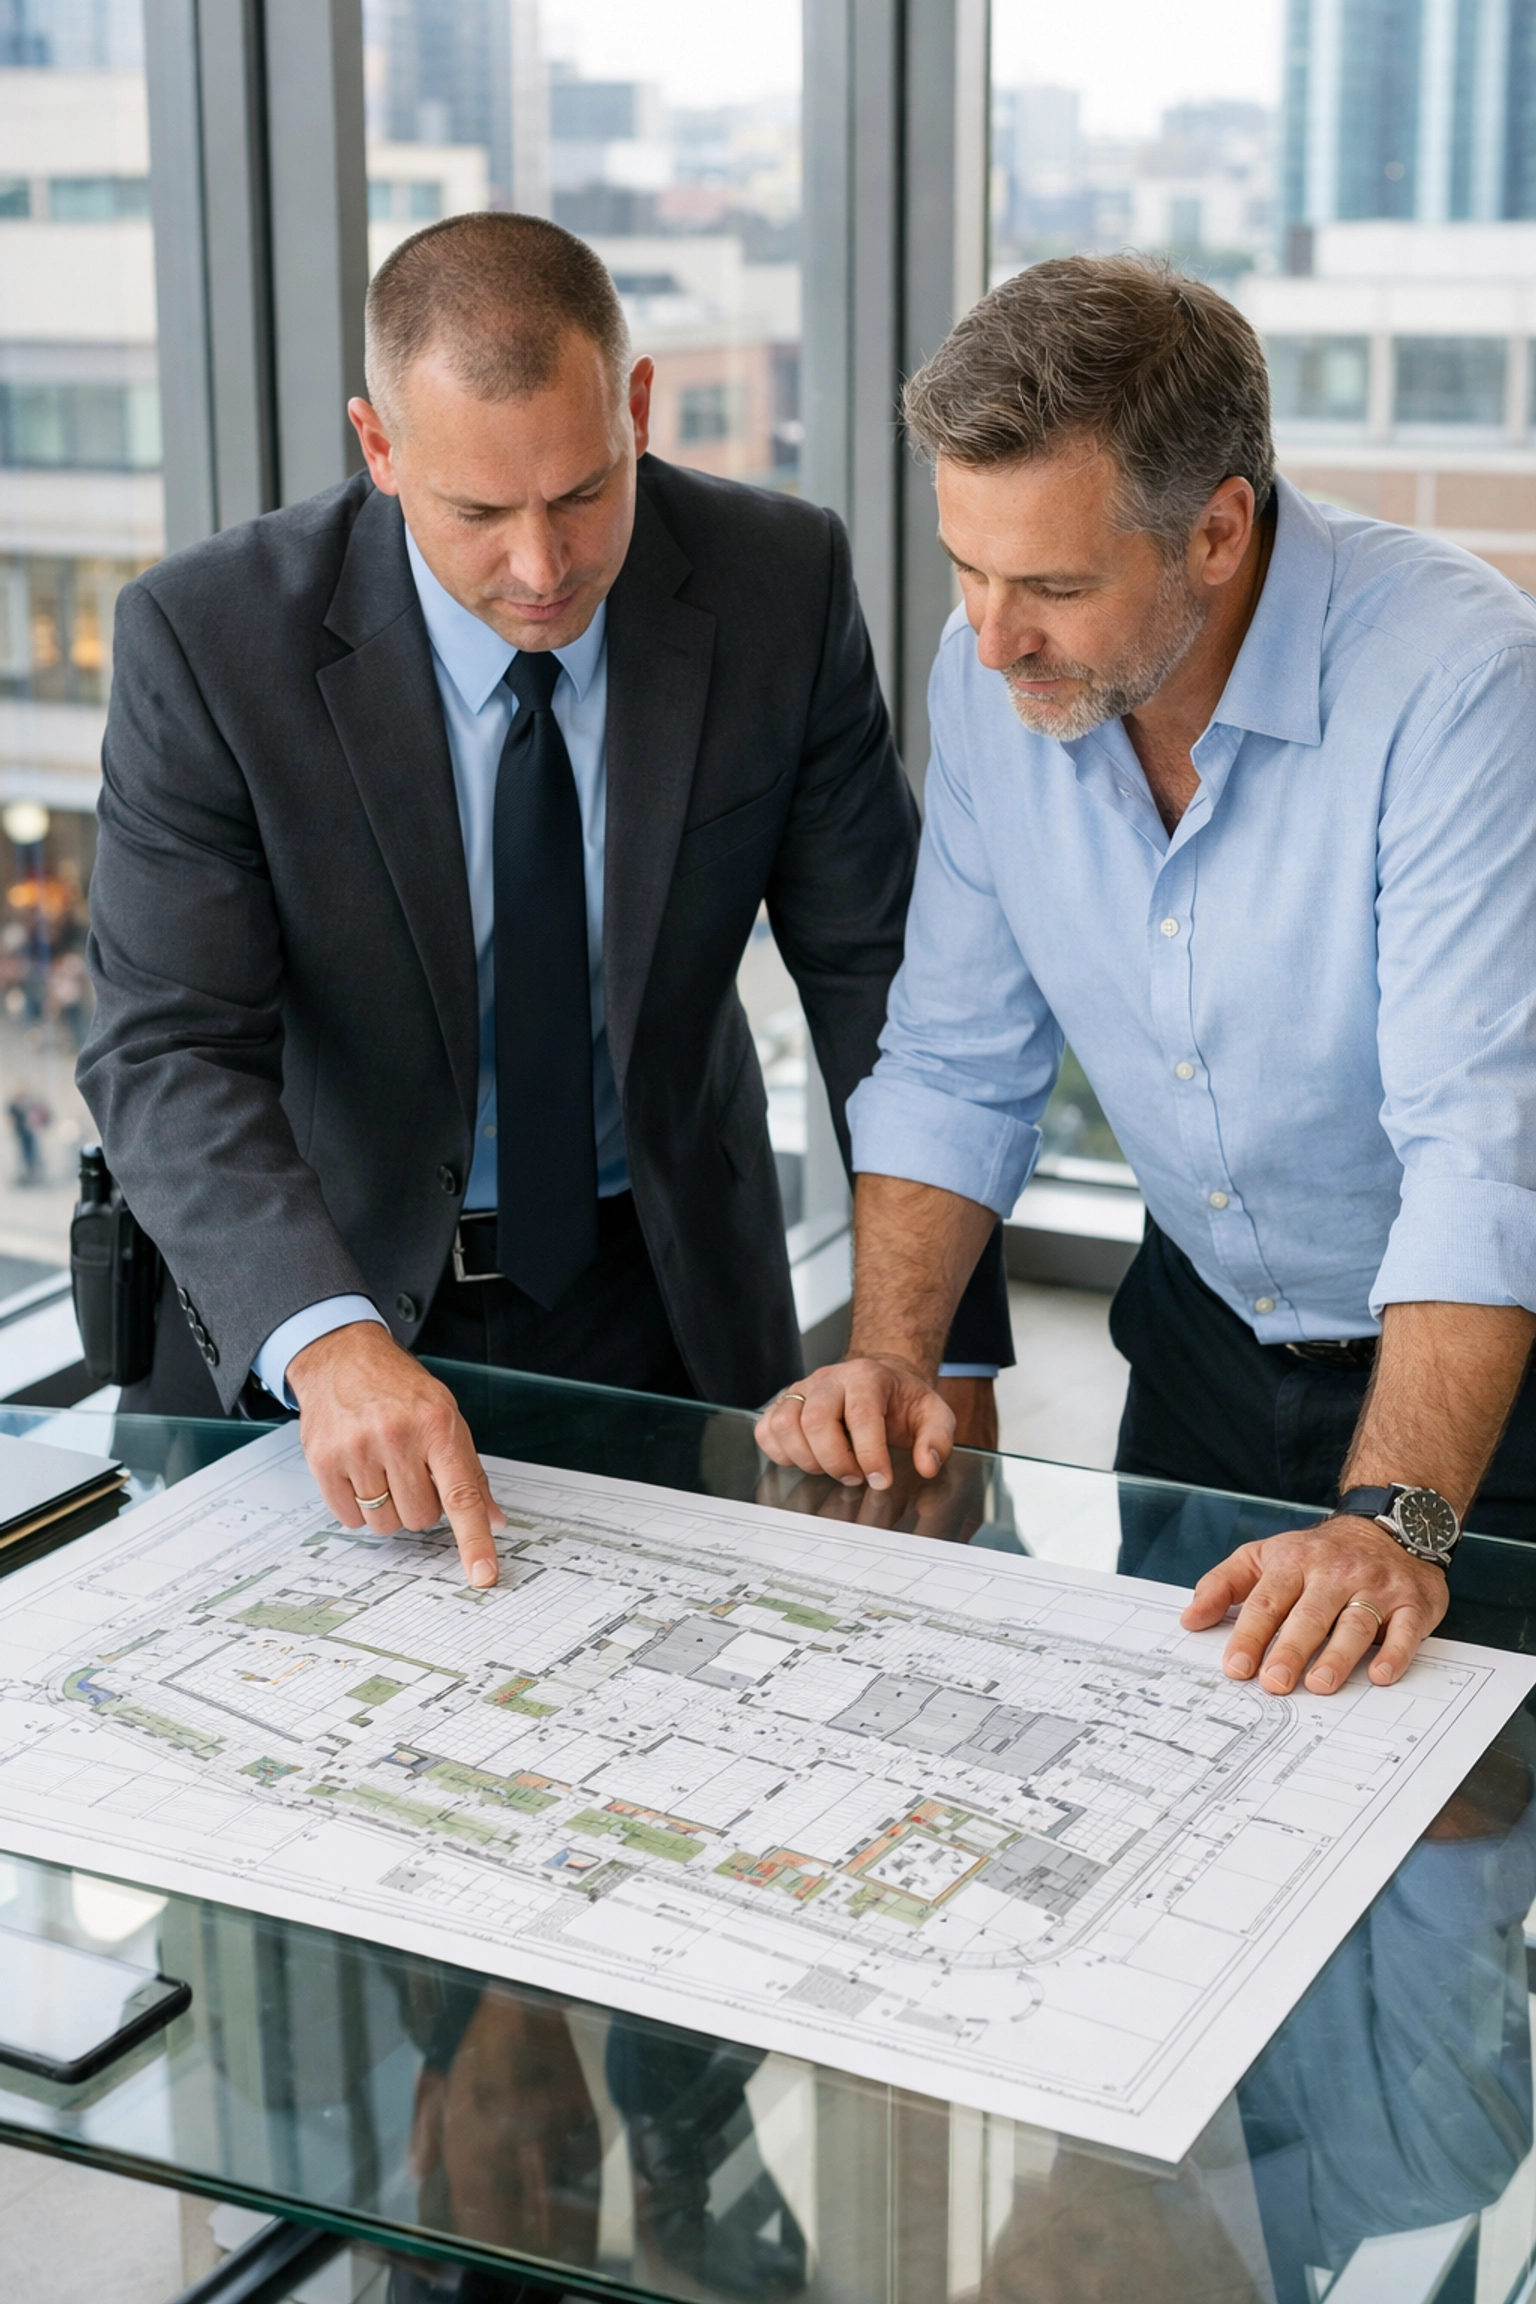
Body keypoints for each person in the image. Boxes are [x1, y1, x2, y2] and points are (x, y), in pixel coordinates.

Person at [79, 211, 1010, 1581]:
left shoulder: (777, 585)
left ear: (636, 405)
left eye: (583, 493)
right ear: (380, 447)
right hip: (326, 1298)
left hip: (666, 1298)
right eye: (477, 513)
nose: (541, 567)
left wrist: (940, 1339)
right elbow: (166, 1046)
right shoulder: (209, 641)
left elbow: (887, 986)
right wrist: (328, 1342)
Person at [757, 254, 1536, 1701]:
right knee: (1177, 1826)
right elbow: (950, 1063)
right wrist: (894, 1366)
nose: (993, 640)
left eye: (1052, 583)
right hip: (1198, 1352)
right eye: (968, 569)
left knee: (1442, 1883)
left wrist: (1395, 1523)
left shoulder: (1458, 680)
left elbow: (1480, 1155)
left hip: (1481, 1381)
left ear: (1220, 532)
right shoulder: (999, 673)